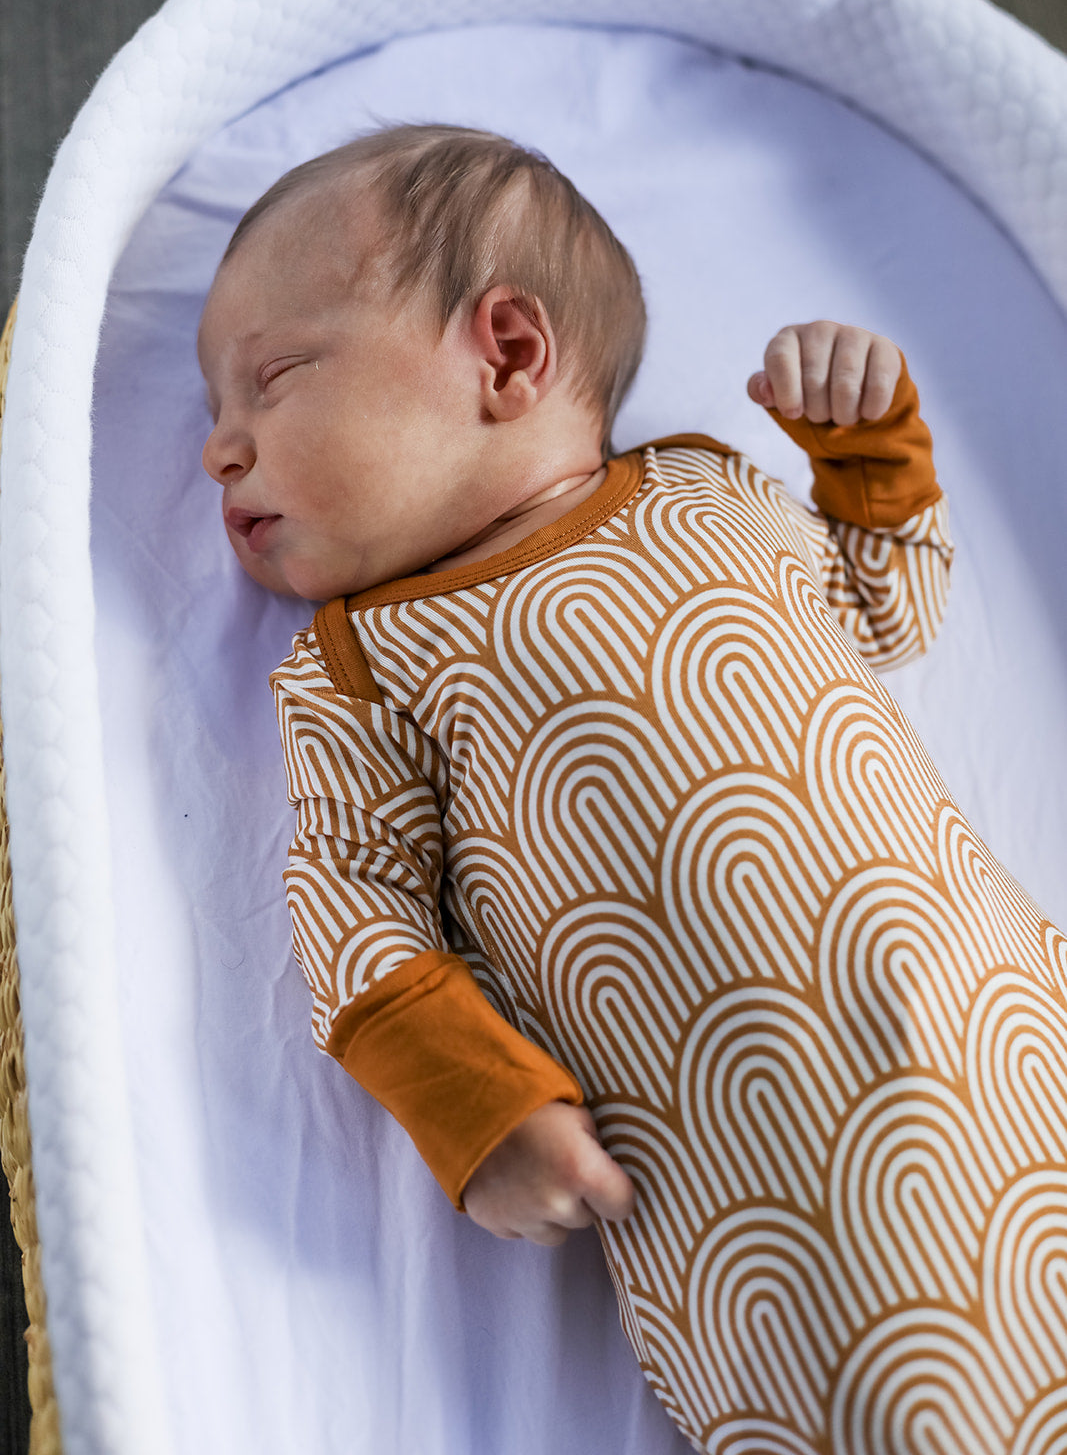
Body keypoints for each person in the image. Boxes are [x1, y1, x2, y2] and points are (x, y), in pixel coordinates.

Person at [199, 123, 1067, 1453]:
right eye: (216, 413)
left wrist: (869, 445)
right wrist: (475, 1108)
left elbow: (883, 608)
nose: (219, 449)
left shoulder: (706, 487)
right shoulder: (367, 662)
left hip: (1007, 1027)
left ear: (508, 353)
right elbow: (356, 908)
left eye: (274, 379)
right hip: (769, 1190)